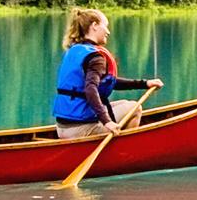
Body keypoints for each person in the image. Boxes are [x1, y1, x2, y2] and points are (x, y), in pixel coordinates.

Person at [50, 7, 155, 140]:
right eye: (105, 26)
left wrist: (145, 84)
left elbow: (107, 81)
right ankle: (123, 151)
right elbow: (90, 89)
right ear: (94, 26)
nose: (108, 32)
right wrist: (107, 122)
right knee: (135, 108)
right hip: (79, 129)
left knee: (124, 103)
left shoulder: (75, 50)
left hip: (63, 127)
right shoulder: (95, 57)